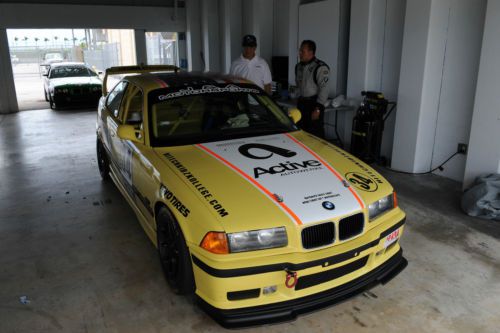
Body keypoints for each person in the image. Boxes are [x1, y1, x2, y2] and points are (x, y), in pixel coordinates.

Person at [295, 40, 330, 138]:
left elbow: (324, 89)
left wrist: (318, 109)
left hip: (314, 105)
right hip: (302, 103)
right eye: (300, 51)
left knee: (315, 134)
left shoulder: (320, 67)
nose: (300, 54)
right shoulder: (298, 67)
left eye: (303, 51)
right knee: (300, 132)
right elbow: (298, 85)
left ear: (311, 52)